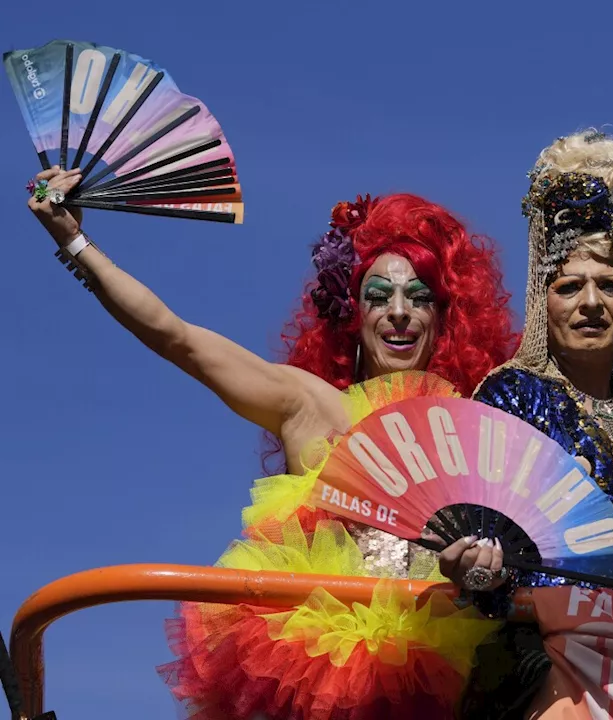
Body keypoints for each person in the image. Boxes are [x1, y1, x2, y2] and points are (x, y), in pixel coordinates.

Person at [27, 168, 518, 718]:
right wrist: (74, 240)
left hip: (451, 674)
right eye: (379, 296)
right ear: (353, 316)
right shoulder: (308, 405)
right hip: (316, 674)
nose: (399, 311)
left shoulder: (480, 426)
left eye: (419, 296)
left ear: (444, 316)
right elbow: (176, 337)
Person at [434, 129, 613, 718]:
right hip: (549, 672)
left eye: (610, 285)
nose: (590, 303)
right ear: (542, 298)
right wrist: (477, 567)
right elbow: (487, 547)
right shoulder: (511, 394)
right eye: (569, 285)